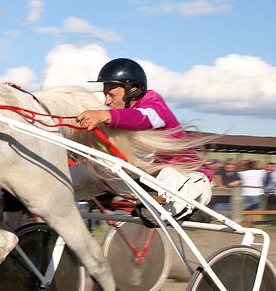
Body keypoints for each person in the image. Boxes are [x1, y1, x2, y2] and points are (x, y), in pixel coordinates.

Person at [75, 58, 212, 217]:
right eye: (105, 95)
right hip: (150, 181)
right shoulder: (121, 113)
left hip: (192, 181)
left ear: (132, 90)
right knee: (87, 171)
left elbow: (145, 117)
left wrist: (105, 115)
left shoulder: (154, 105)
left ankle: (153, 206)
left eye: (112, 95)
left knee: (167, 173)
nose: (107, 101)